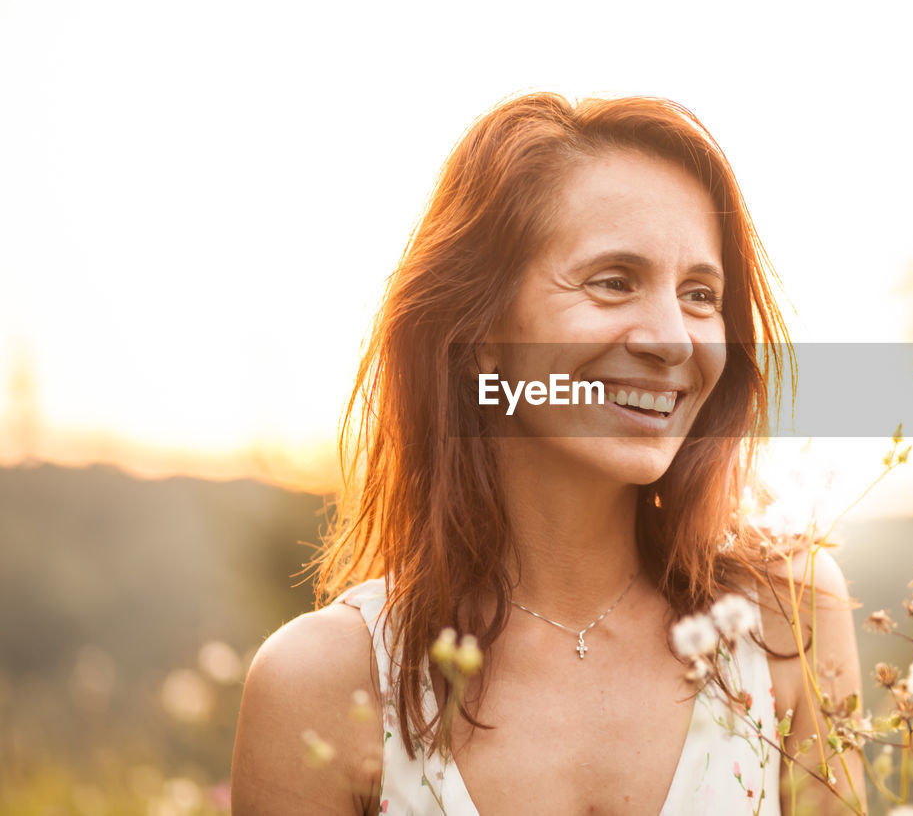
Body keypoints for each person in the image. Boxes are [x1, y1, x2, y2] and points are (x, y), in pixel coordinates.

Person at [230, 93, 864, 815]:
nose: (672, 337)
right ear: (482, 333)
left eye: (699, 293)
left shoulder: (787, 616)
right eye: (613, 281)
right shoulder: (322, 680)